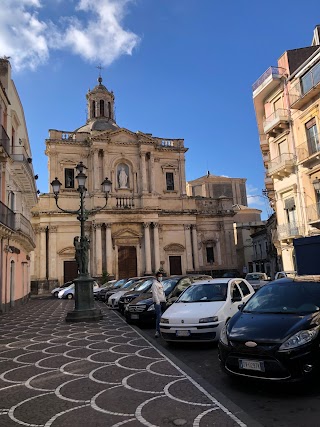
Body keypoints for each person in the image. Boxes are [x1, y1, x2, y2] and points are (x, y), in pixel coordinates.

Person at [151, 270, 166, 338]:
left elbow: (163, 293)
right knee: (159, 317)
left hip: (163, 301)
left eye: (161, 276)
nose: (160, 277)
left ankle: (162, 330)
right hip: (158, 302)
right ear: (156, 277)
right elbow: (155, 294)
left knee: (162, 317)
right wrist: (157, 302)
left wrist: (165, 300)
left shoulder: (161, 284)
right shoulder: (154, 284)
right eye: (159, 276)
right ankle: (157, 331)